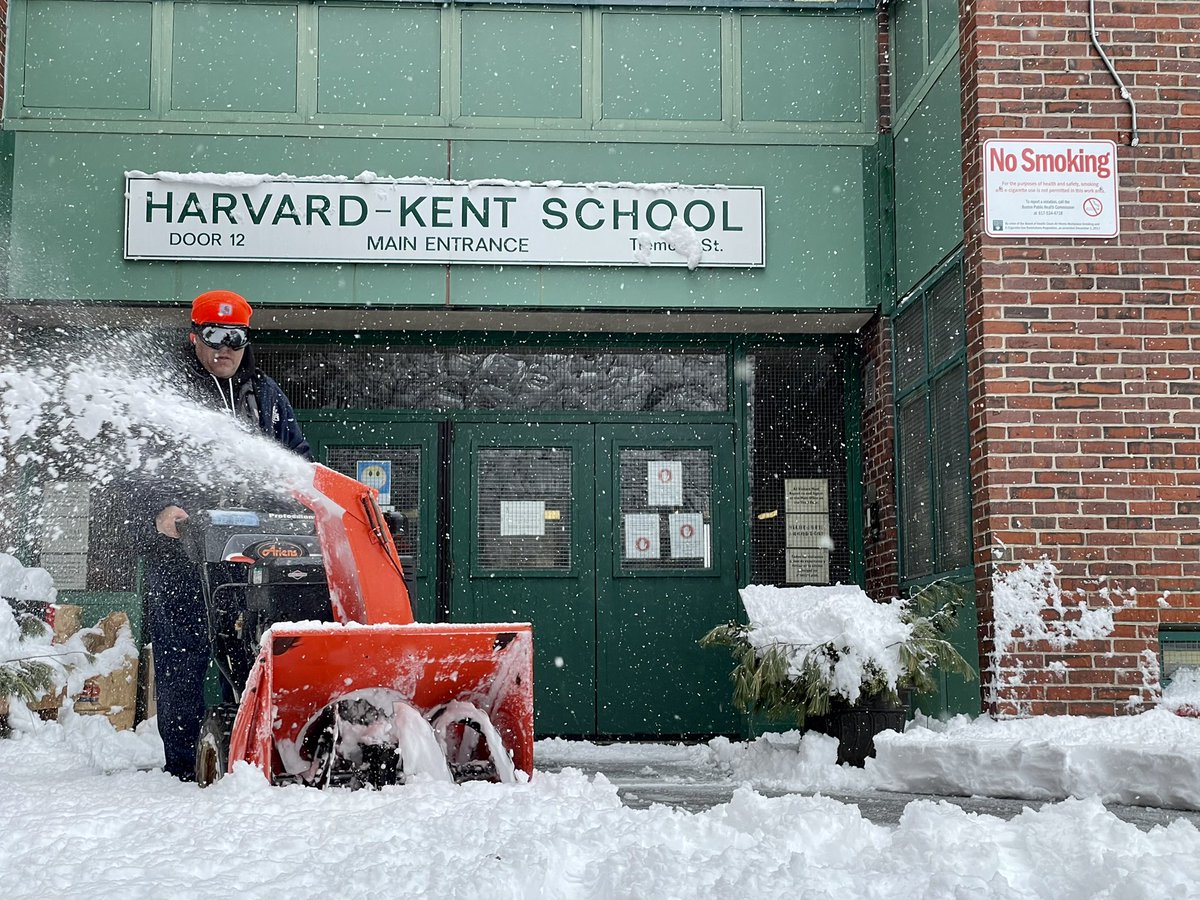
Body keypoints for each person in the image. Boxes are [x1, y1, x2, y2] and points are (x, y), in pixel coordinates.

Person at [132, 290, 312, 780]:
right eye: (214, 336)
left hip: (253, 559)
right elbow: (131, 475)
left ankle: (252, 759)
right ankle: (184, 769)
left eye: (235, 338)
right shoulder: (167, 397)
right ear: (195, 338)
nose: (225, 348)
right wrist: (159, 510)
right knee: (181, 662)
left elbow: (299, 461)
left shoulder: (266, 396)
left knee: (253, 656)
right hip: (181, 559)